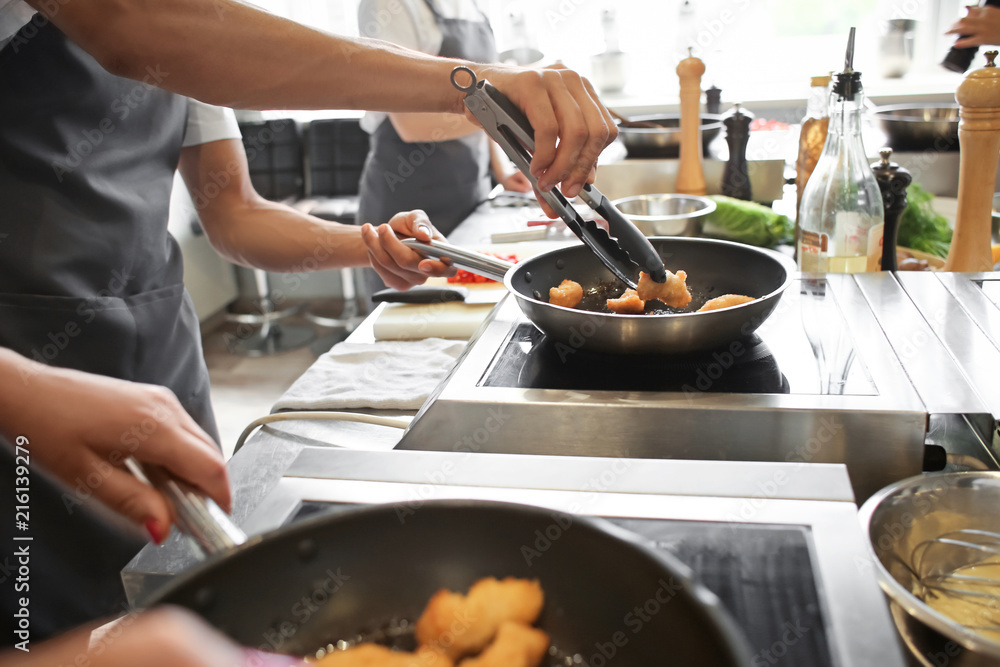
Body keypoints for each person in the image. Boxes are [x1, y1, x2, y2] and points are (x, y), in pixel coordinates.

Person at [0, 0, 615, 646]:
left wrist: (369, 243)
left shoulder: (189, 32)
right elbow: (129, 21)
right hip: (27, 372)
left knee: (183, 606)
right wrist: (473, 87)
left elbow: (235, 214)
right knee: (50, 623)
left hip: (159, 360)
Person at [356, 0, 533, 240]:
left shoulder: (474, 8)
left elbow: (483, 98)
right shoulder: (388, 5)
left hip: (472, 194)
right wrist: (508, 107)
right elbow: (410, 124)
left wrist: (503, 171)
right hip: (408, 200)